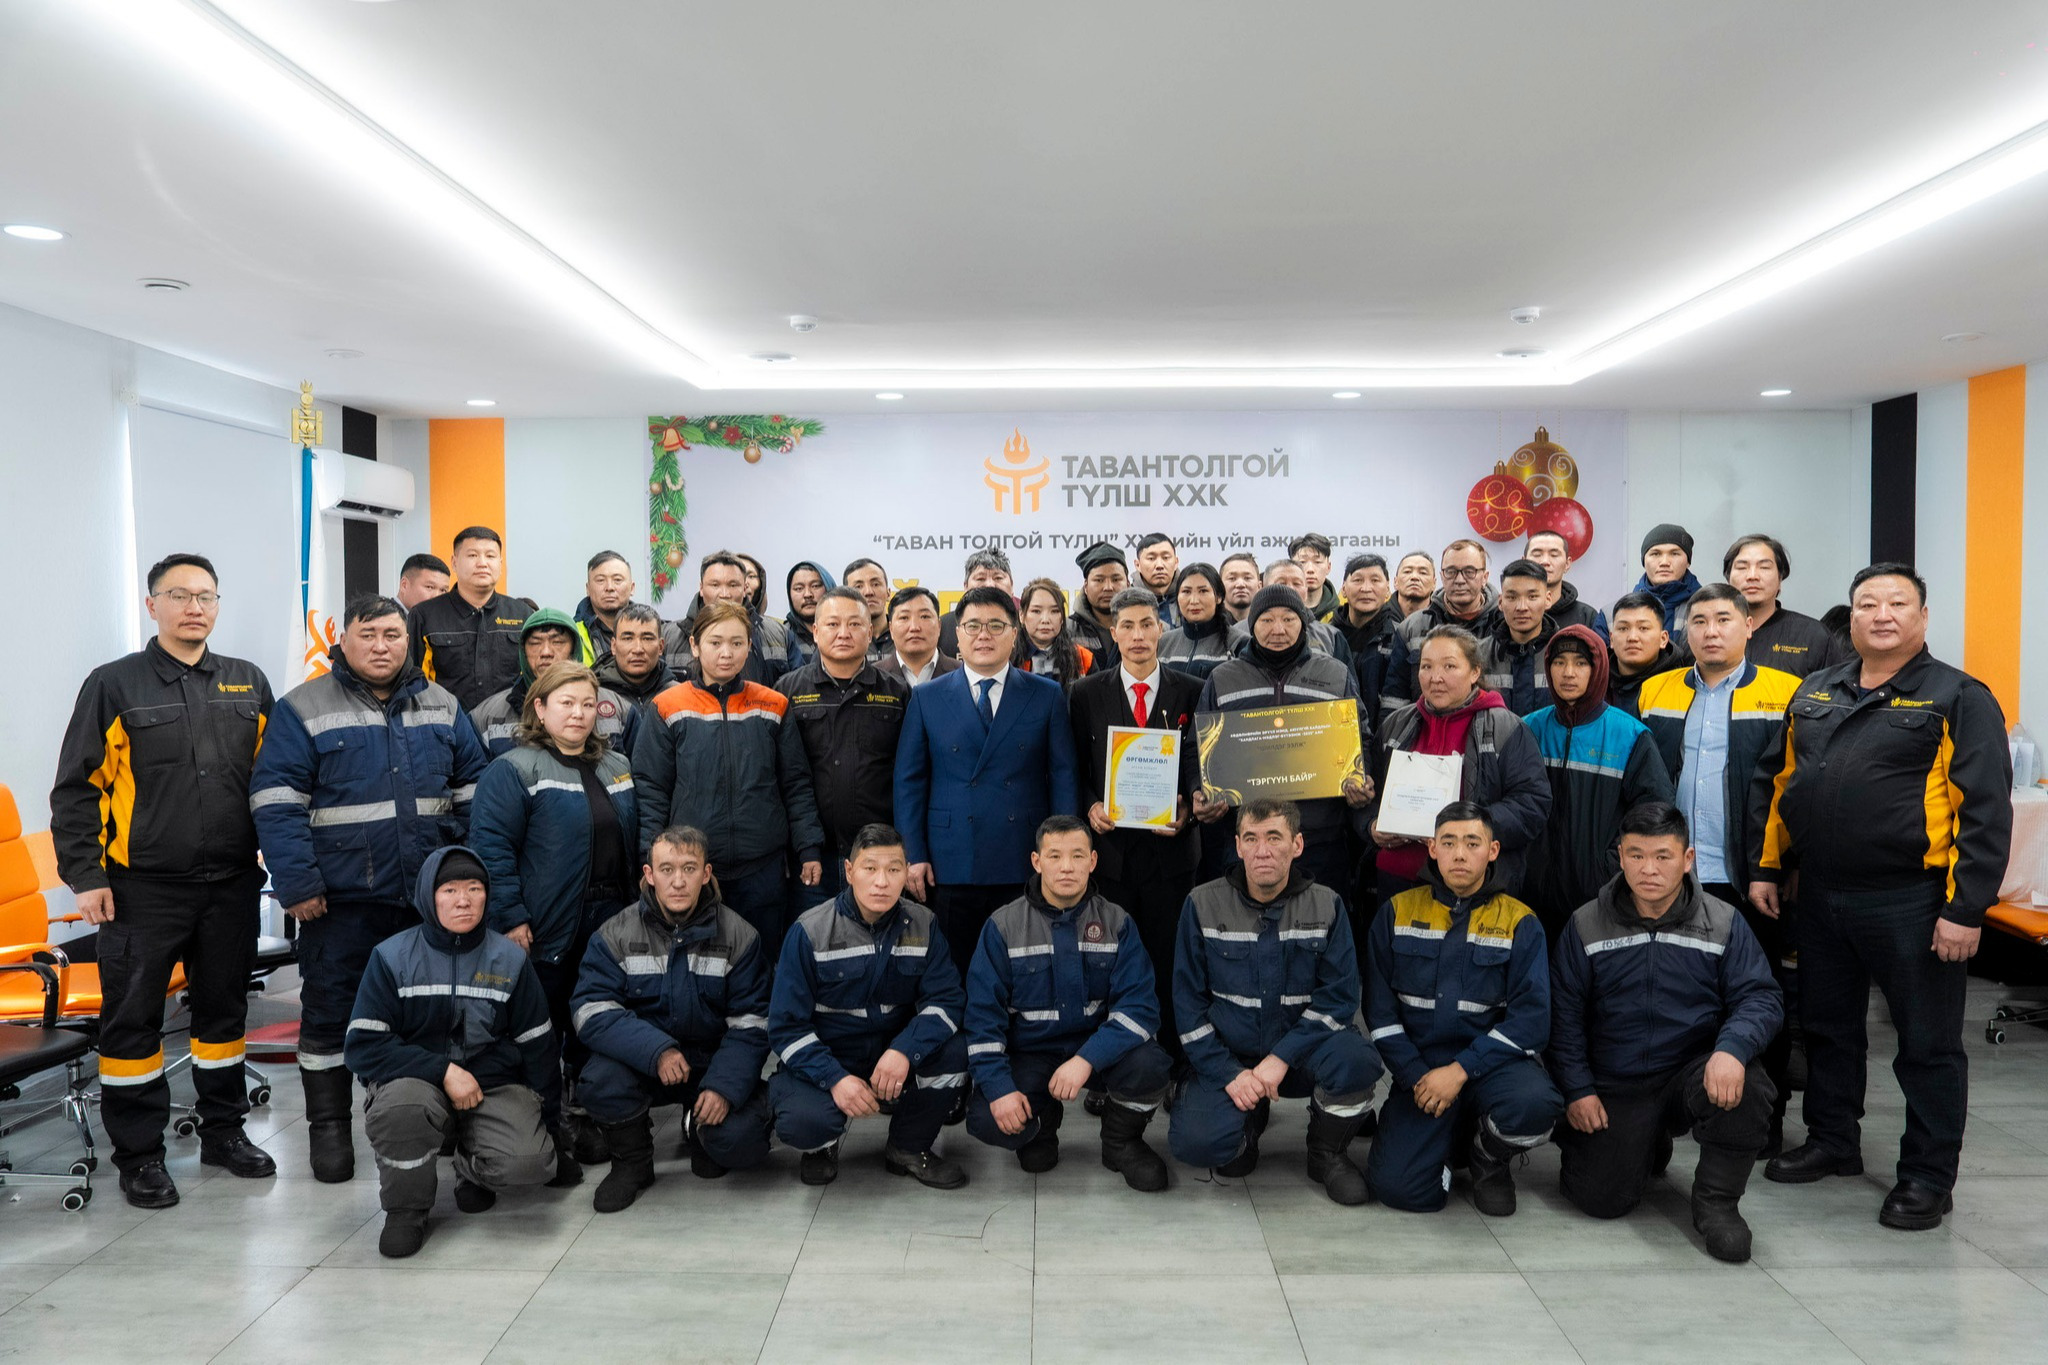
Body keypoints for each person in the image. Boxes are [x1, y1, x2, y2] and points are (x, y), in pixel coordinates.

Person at [1751, 563, 2013, 1231]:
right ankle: (1832, 1140)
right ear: (1853, 616)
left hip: (1912, 900)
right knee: (1828, 1029)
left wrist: (1965, 909)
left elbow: (1985, 811)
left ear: (1923, 617)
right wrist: (1768, 866)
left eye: (1898, 603)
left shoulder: (1957, 696)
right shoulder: (1818, 688)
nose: (1882, 614)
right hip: (1821, 894)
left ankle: (1927, 1176)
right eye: (1868, 603)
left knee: (1927, 1045)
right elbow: (1782, 781)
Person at [51, 553, 277, 1207]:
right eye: (179, 594)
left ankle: (224, 1132)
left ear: (218, 605)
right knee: (132, 1022)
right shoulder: (114, 684)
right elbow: (76, 789)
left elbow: (275, 783)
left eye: (206, 595)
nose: (194, 607)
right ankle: (140, 1155)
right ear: (152, 605)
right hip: (141, 889)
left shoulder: (247, 682)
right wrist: (86, 875)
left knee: (223, 1014)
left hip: (232, 883)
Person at [250, 593, 491, 1182]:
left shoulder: (442, 704)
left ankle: (419, 1118)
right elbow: (275, 802)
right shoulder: (303, 707)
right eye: (368, 635)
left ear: (409, 641)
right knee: (329, 1017)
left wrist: (462, 877)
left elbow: (474, 792)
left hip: (425, 904)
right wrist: (297, 884)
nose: (381, 646)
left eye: (392, 635)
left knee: (428, 1015)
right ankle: (329, 1130)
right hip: (339, 902)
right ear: (344, 640)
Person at [1552, 803, 1783, 1262]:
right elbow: (1564, 1017)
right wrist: (1578, 1090)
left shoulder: (1723, 922)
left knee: (1750, 1087)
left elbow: (1760, 996)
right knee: (1600, 1199)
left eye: (1663, 856)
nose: (1649, 869)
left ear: (1688, 858)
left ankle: (1718, 1204)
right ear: (1620, 857)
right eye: (1636, 855)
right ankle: (1644, 1142)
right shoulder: (1585, 923)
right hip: (1616, 1082)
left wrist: (1732, 1050)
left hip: (1691, 1073)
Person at [1638, 583, 1800, 1150]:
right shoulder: (1655, 690)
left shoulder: (1785, 691)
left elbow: (1792, 789)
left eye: (1724, 619)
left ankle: (1763, 1122)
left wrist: (1772, 868)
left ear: (1749, 625)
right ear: (1685, 630)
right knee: (1671, 993)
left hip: (1747, 877)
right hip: (1671, 876)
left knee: (1757, 994)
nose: (1711, 631)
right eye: (1699, 620)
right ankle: (1678, 1109)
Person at [345, 847, 560, 1258]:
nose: (464, 900)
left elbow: (538, 1046)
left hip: (491, 1083)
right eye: (450, 890)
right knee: (402, 1109)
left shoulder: (510, 960)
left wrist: (553, 1132)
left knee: (531, 1163)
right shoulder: (390, 957)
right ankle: (406, 1210)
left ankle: (469, 1166)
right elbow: (363, 1047)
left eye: (474, 888)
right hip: (414, 1082)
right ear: (429, 896)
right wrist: (443, 1070)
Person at [469, 660, 637, 1173]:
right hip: (545, 924)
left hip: (610, 918)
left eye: (587, 704)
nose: (579, 714)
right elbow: (492, 850)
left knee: (597, 1018)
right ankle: (546, 1122)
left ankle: (586, 1114)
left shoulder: (616, 765)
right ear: (539, 709)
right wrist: (511, 917)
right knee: (543, 1027)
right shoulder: (513, 769)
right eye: (566, 703)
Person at [1169, 800, 1382, 1203]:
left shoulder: (1328, 905)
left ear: (1297, 845)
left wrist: (1282, 1056)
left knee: (1356, 1060)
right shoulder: (1201, 904)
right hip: (1232, 1057)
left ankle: (1326, 1151)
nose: (1262, 851)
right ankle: (1247, 1121)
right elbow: (1187, 1006)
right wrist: (1230, 1073)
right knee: (1199, 1145)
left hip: (1303, 1056)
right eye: (1251, 838)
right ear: (1237, 846)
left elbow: (1339, 998)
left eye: (1274, 838)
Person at [1363, 803, 1561, 1215]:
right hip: (1423, 1072)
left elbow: (1531, 1022)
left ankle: (1487, 1156)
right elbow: (1379, 1016)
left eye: (1472, 843)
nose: (1459, 854)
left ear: (1493, 850)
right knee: (1400, 1191)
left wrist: (1460, 1071)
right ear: (1432, 848)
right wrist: (1417, 1077)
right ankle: (1446, 1143)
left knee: (1537, 1104)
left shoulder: (1520, 921)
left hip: (1494, 1068)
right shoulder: (1396, 912)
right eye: (1449, 842)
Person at [572, 825, 774, 1212]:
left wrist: (723, 1087)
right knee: (600, 1081)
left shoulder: (740, 936)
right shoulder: (614, 934)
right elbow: (590, 1011)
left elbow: (753, 1023)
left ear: (706, 873)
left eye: (689, 868)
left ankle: (699, 1126)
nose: (678, 881)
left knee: (740, 1143)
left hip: (710, 1063)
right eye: (666, 869)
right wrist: (657, 1051)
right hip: (645, 1062)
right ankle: (632, 1163)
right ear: (649, 875)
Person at [964, 816, 1172, 1188]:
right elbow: (982, 1021)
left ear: (1093, 861)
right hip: (1031, 1054)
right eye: (1055, 856)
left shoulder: (1117, 922)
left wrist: (1085, 1060)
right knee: (985, 1117)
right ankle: (1041, 1125)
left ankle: (1121, 1141)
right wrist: (999, 1090)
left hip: (1099, 1053)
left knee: (1151, 1064)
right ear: (1036, 861)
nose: (1066, 867)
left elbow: (1140, 1009)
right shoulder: (1002, 927)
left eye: (1077, 856)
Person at [769, 824, 971, 1188]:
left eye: (893, 869)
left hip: (892, 1053)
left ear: (906, 872)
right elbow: (786, 1027)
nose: (882, 882)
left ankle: (908, 1146)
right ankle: (821, 1147)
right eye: (870, 868)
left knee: (956, 1053)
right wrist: (834, 1077)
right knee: (803, 1122)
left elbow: (946, 1001)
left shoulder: (923, 924)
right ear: (849, 871)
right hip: (831, 1055)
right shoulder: (810, 931)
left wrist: (905, 1051)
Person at [895, 585, 1080, 978]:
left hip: (1023, 856)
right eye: (973, 625)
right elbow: (909, 782)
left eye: (996, 626)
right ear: (957, 635)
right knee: (955, 970)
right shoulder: (927, 697)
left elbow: (1063, 776)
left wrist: (1061, 851)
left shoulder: (1045, 695)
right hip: (950, 858)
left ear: (1015, 634)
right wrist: (914, 853)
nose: (984, 635)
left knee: (1024, 968)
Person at [635, 601, 824, 947]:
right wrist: (650, 856)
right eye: (715, 642)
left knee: (761, 957)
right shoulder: (667, 706)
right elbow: (651, 790)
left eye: (737, 643)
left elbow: (796, 783)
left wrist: (808, 848)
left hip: (762, 868)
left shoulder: (773, 704)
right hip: (693, 868)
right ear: (695, 645)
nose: (726, 652)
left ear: (749, 646)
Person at [1070, 588, 1202, 1058]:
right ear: (1114, 632)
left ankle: (1173, 1056)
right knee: (1111, 960)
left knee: (1171, 960)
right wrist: (1090, 806)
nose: (1138, 634)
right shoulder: (1085, 692)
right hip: (1111, 857)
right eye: (1127, 626)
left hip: (1172, 854)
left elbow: (1199, 763)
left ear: (1161, 628)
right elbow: (1074, 768)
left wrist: (1188, 808)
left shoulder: (1193, 689)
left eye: (1147, 624)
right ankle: (1113, 1057)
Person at [1196, 585, 1374, 895]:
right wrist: (1197, 790)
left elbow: (1361, 737)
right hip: (1248, 836)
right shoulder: (1223, 678)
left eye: (1289, 619)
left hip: (1319, 835)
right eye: (1266, 620)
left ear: (1303, 623)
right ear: (1252, 625)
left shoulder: (1335, 673)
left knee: (1320, 915)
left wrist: (1362, 776)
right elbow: (1196, 747)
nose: (1278, 629)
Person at [1370, 626, 1549, 904]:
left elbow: (1532, 804)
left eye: (1449, 666)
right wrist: (1371, 825)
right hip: (1397, 882)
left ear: (1475, 672)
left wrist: (1470, 828)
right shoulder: (1396, 724)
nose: (1435, 678)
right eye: (1426, 667)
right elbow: (1369, 791)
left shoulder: (1506, 728)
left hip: (1471, 887)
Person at [1518, 626, 1674, 937]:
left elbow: (1655, 813)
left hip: (1602, 898)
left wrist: (1611, 864)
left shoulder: (1629, 735)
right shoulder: (1528, 728)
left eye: (1580, 663)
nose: (1568, 673)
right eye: (1559, 662)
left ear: (1598, 668)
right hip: (1531, 895)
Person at [777, 587, 911, 897]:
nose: (843, 633)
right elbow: (783, 777)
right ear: (815, 631)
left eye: (854, 624)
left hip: (878, 855)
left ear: (870, 632)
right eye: (833, 624)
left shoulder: (897, 693)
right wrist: (802, 846)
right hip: (811, 857)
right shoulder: (788, 691)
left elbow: (909, 776)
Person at [470, 609, 640, 759]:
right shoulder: (486, 716)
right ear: (523, 651)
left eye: (557, 642)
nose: (546, 652)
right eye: (535, 643)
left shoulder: (617, 708)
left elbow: (640, 773)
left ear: (574, 649)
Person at [409, 526, 535, 711]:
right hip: (447, 722)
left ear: (500, 564)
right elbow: (413, 683)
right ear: (454, 562)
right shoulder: (424, 616)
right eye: (473, 555)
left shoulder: (523, 614)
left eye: (490, 556)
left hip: (510, 722)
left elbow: (534, 677)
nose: (482, 563)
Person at [1384, 540, 1497, 710]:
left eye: (1469, 572)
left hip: (1491, 725)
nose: (1459, 580)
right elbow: (1395, 699)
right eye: (1451, 572)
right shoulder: (1411, 628)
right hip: (1427, 724)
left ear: (1485, 577)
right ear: (1442, 576)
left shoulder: (1504, 624)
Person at [1725, 534, 1850, 678]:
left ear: (1780, 578)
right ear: (1728, 578)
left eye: (1764, 567)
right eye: (1742, 567)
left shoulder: (1813, 635)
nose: (1752, 576)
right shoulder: (1709, 633)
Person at [673, 550, 798, 684]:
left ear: (744, 589)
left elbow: (799, 687)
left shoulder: (780, 635)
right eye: (715, 585)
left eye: (733, 585)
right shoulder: (671, 637)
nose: (724, 594)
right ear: (701, 588)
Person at [1475, 557, 1558, 716]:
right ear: (1500, 602)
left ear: (1548, 599)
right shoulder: (1478, 654)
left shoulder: (1563, 653)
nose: (1521, 607)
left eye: (1532, 597)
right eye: (1512, 597)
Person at [1227, 561, 1352, 662]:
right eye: (1281, 583)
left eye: (1297, 583)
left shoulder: (1331, 636)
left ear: (1306, 589)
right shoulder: (1238, 633)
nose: (1290, 589)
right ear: (1262, 587)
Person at [1333, 553, 1402, 720]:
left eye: (1375, 580)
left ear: (1388, 589)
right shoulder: (1327, 637)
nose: (1366, 588)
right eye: (1357, 580)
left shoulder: (1400, 637)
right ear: (1343, 588)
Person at [1608, 590, 1684, 716]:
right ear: (1611, 639)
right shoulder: (1595, 685)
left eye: (1643, 628)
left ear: (1663, 639)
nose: (1632, 637)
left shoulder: (1681, 686)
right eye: (1623, 628)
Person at [1522, 529, 1608, 638]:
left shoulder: (1586, 616)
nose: (1545, 561)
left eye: (1554, 555)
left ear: (1567, 564)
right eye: (1537, 554)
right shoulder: (1511, 612)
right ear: (1524, 561)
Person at [1158, 562, 1231, 683]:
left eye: (1203, 591)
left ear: (1218, 597)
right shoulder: (1162, 643)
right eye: (1186, 592)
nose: (1194, 600)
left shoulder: (1239, 643)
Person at [593, 603, 678, 707]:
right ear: (614, 646)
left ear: (660, 647)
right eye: (628, 638)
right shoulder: (594, 695)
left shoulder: (678, 696)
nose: (638, 649)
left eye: (647, 639)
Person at [1014, 577, 1094, 687]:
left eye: (1054, 611)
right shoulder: (1007, 657)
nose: (1045, 620)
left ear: (1062, 617)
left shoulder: (1083, 658)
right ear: (1022, 615)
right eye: (1036, 611)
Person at [935, 548, 1014, 658]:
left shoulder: (1026, 626)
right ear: (966, 587)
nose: (990, 585)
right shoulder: (943, 627)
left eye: (998, 578)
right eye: (980, 578)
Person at [875, 585, 959, 686]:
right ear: (891, 628)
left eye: (924, 617)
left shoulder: (962, 674)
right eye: (904, 618)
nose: (914, 627)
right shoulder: (873, 677)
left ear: (939, 626)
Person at [1635, 523, 1703, 648]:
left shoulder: (1707, 606)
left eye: (1674, 553)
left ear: (1688, 561)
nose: (1664, 562)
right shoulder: (1614, 614)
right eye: (1655, 554)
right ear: (1644, 561)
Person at [575, 550, 649, 662]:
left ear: (632, 588)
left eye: (617, 580)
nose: (609, 587)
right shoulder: (573, 634)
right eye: (600, 580)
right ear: (588, 589)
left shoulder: (652, 629)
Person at [1070, 540, 1129, 663]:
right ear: (1086, 586)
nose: (1108, 587)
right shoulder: (1066, 630)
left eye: (1116, 579)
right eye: (1099, 580)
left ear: (1128, 584)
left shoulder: (1150, 626)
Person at [783, 559, 832, 664]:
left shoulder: (845, 632)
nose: (808, 594)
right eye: (799, 588)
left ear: (829, 587)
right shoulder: (783, 636)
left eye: (815, 586)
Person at [842, 557, 892, 653]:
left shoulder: (906, 634)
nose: (868, 592)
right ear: (846, 597)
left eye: (875, 584)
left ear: (888, 593)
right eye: (858, 587)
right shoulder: (839, 639)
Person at [1133, 533, 1181, 628]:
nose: (1159, 565)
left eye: (1165, 558)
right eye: (1151, 558)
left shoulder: (1188, 597)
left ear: (1176, 562)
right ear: (1138, 565)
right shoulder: (1127, 601)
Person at [1290, 532, 1339, 622]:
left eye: (1317, 562)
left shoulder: (1341, 615)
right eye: (1302, 562)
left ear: (1328, 567)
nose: (1310, 569)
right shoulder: (1280, 610)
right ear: (1291, 567)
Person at [1219, 551, 1261, 625]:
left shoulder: (1268, 626)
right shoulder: (1208, 627)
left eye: (1247, 578)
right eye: (1232, 578)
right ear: (1219, 586)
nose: (1240, 584)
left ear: (1259, 586)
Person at [1392, 551, 1436, 618]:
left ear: (1434, 583)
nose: (1414, 577)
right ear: (1396, 582)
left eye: (1423, 573)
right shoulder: (1378, 617)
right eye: (1407, 571)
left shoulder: (1444, 620)